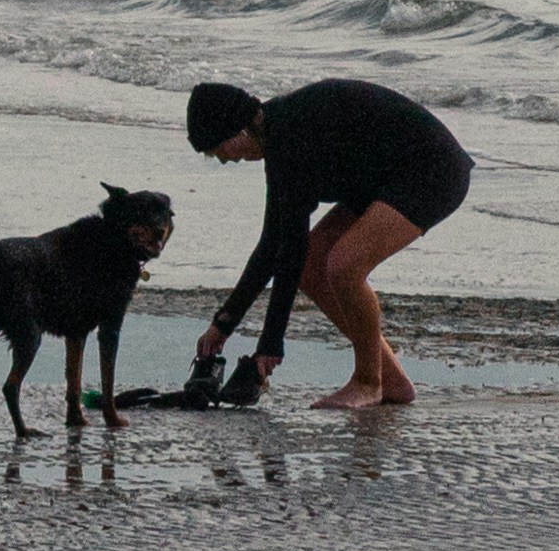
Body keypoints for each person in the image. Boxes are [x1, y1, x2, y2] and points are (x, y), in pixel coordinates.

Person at [185, 74, 471, 415]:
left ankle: (369, 381)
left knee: (345, 266)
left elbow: (289, 250)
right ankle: (391, 380)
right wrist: (224, 323)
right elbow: (272, 245)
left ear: (238, 130)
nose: (222, 159)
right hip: (380, 178)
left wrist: (270, 345)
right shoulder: (279, 136)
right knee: (313, 266)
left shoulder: (291, 137)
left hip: (432, 171)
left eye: (218, 149)